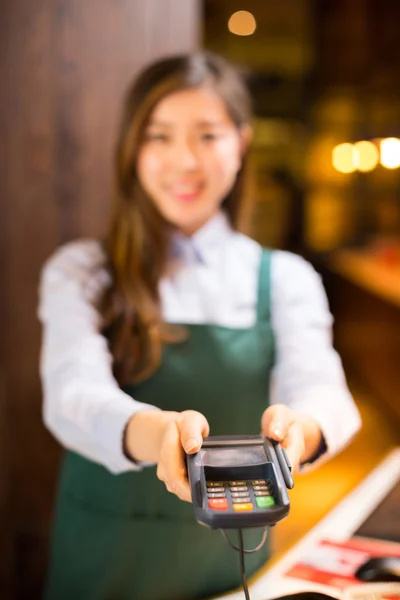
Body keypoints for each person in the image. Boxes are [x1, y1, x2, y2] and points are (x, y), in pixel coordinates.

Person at [38, 51, 361, 600]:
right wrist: (160, 434)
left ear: (241, 143)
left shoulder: (285, 277)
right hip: (102, 558)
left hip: (230, 555)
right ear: (132, 150)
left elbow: (322, 391)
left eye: (207, 136)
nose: (183, 160)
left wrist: (299, 433)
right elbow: (73, 394)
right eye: (159, 136)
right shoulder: (84, 271)